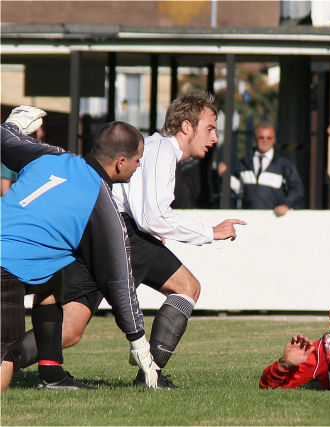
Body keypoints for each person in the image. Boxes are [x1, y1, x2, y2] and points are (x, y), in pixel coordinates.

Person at [15, 93, 246, 389]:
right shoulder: (162, 150)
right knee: (187, 287)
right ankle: (150, 375)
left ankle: (7, 360)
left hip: (104, 230)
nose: (214, 137)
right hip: (122, 233)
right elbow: (152, 218)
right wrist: (210, 232)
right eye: (210, 128)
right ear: (187, 126)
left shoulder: (156, 148)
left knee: (70, 329)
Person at [1, 107, 160, 391]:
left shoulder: (51, 155)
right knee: (4, 363)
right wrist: (139, 344)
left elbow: (3, 138)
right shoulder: (102, 204)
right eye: (138, 161)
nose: (139, 167)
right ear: (121, 162)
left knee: (51, 279)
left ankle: (51, 374)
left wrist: (13, 124)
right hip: (5, 271)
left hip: (12, 263)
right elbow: (120, 282)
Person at [220, 122, 305, 216]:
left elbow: (297, 189)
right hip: (250, 220)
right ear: (255, 139)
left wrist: (286, 204)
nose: (265, 141)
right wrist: (225, 175)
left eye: (269, 138)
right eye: (261, 137)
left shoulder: (284, 163)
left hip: (275, 220)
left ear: (274, 140)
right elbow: (239, 188)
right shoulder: (246, 161)